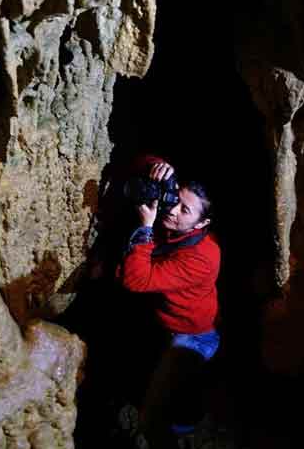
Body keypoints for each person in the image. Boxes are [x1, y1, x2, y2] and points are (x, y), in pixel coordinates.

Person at [117, 160, 221, 448]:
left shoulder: (203, 257)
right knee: (162, 385)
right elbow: (138, 162)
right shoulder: (178, 225)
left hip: (192, 338)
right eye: (175, 200)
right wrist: (159, 166)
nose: (172, 209)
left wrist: (145, 227)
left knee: (153, 419)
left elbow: (136, 280)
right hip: (165, 323)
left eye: (184, 210)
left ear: (202, 223)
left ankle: (184, 430)